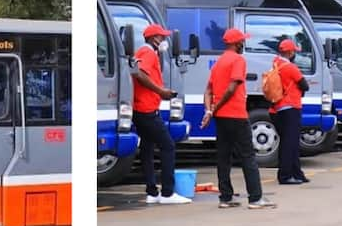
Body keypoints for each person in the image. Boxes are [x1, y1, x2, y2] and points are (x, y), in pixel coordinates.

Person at [200, 28, 276, 209]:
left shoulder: (219, 63)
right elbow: (232, 87)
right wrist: (215, 108)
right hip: (236, 114)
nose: (243, 44)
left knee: (223, 157)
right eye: (242, 41)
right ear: (236, 43)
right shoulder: (238, 60)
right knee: (248, 156)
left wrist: (209, 111)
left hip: (221, 117)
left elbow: (209, 90)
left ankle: (225, 198)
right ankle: (256, 198)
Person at [132, 23, 191, 205]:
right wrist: (161, 91)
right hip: (147, 109)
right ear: (154, 38)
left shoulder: (143, 52)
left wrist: (160, 91)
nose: (165, 40)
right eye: (162, 37)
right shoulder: (148, 53)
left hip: (140, 108)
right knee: (168, 146)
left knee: (147, 150)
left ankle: (152, 192)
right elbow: (140, 75)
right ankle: (167, 193)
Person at [270, 39, 310, 184]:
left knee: (289, 142)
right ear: (290, 52)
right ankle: (286, 175)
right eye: (294, 51)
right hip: (290, 107)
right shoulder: (290, 67)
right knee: (290, 144)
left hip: (278, 108)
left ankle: (297, 173)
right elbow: (304, 85)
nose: (295, 54)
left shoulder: (276, 63)